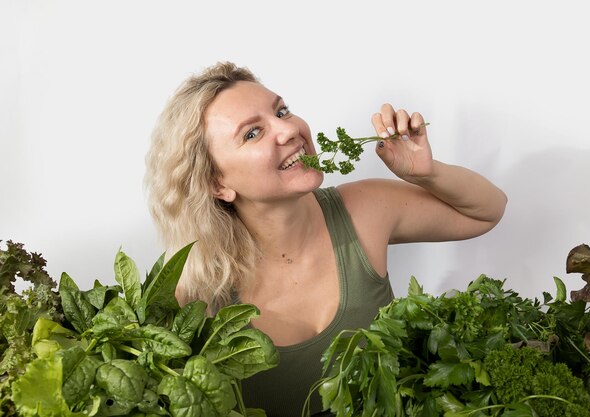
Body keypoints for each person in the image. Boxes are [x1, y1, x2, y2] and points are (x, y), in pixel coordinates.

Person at [144, 62, 507, 416]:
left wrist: (426, 172)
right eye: (252, 133)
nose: (287, 130)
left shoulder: (362, 210)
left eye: (282, 111)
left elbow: (485, 211)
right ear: (216, 183)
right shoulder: (192, 289)